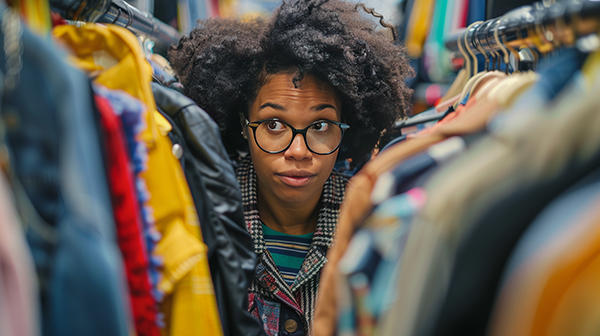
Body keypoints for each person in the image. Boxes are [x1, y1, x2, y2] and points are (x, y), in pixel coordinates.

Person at [167, 0, 413, 335]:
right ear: (243, 124)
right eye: (273, 125)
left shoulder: (375, 225)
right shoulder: (200, 219)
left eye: (321, 126)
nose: (298, 151)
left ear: (348, 125)